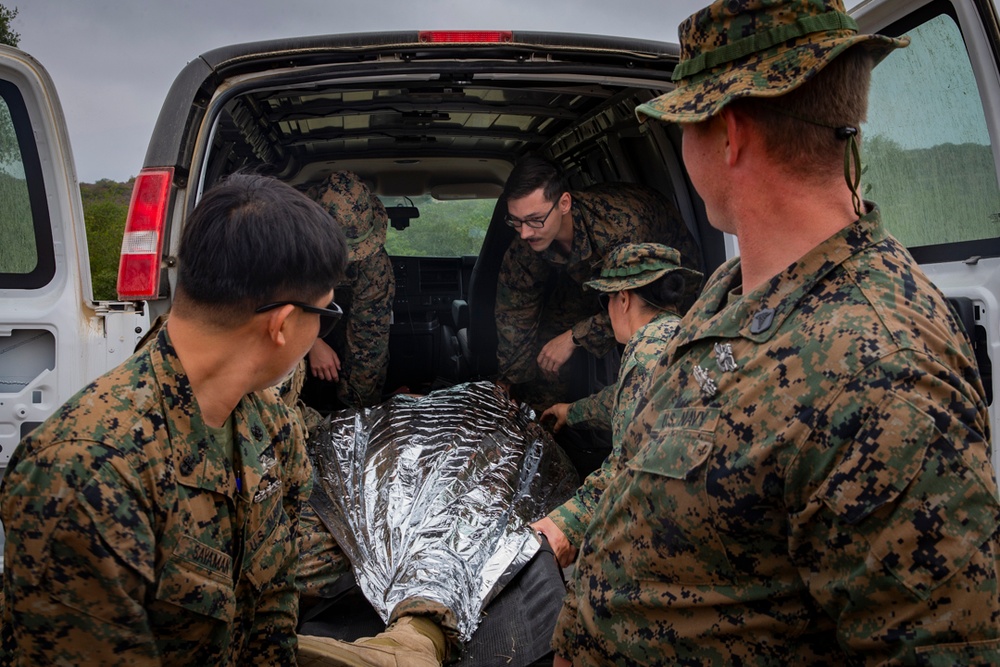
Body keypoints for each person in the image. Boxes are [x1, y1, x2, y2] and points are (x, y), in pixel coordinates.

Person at [553, 1, 1000, 664]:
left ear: (729, 133)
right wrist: (559, 533)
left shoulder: (882, 371)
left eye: (684, 122)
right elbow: (655, 452)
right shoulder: (730, 294)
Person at [0, 173, 348, 664]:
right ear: (283, 323)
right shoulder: (85, 474)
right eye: (325, 315)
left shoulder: (272, 431)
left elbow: (273, 608)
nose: (320, 330)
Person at [532, 243, 701, 568]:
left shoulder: (644, 354)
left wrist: (566, 525)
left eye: (605, 299)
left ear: (622, 299)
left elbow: (627, 468)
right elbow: (625, 400)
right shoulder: (680, 334)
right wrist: (572, 411)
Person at [494, 155, 700, 410]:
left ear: (564, 203)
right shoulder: (526, 242)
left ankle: (628, 424)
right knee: (548, 339)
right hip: (598, 277)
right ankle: (544, 419)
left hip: (662, 282)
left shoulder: (621, 229)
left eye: (535, 219)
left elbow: (638, 303)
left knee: (641, 356)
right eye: (516, 221)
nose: (525, 232)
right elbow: (515, 310)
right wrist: (509, 380)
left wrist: (574, 337)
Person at [306, 170, 396, 409]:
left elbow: (368, 344)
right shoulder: (287, 246)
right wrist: (311, 342)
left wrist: (354, 412)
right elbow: (264, 304)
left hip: (350, 335)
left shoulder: (374, 268)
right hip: (291, 335)